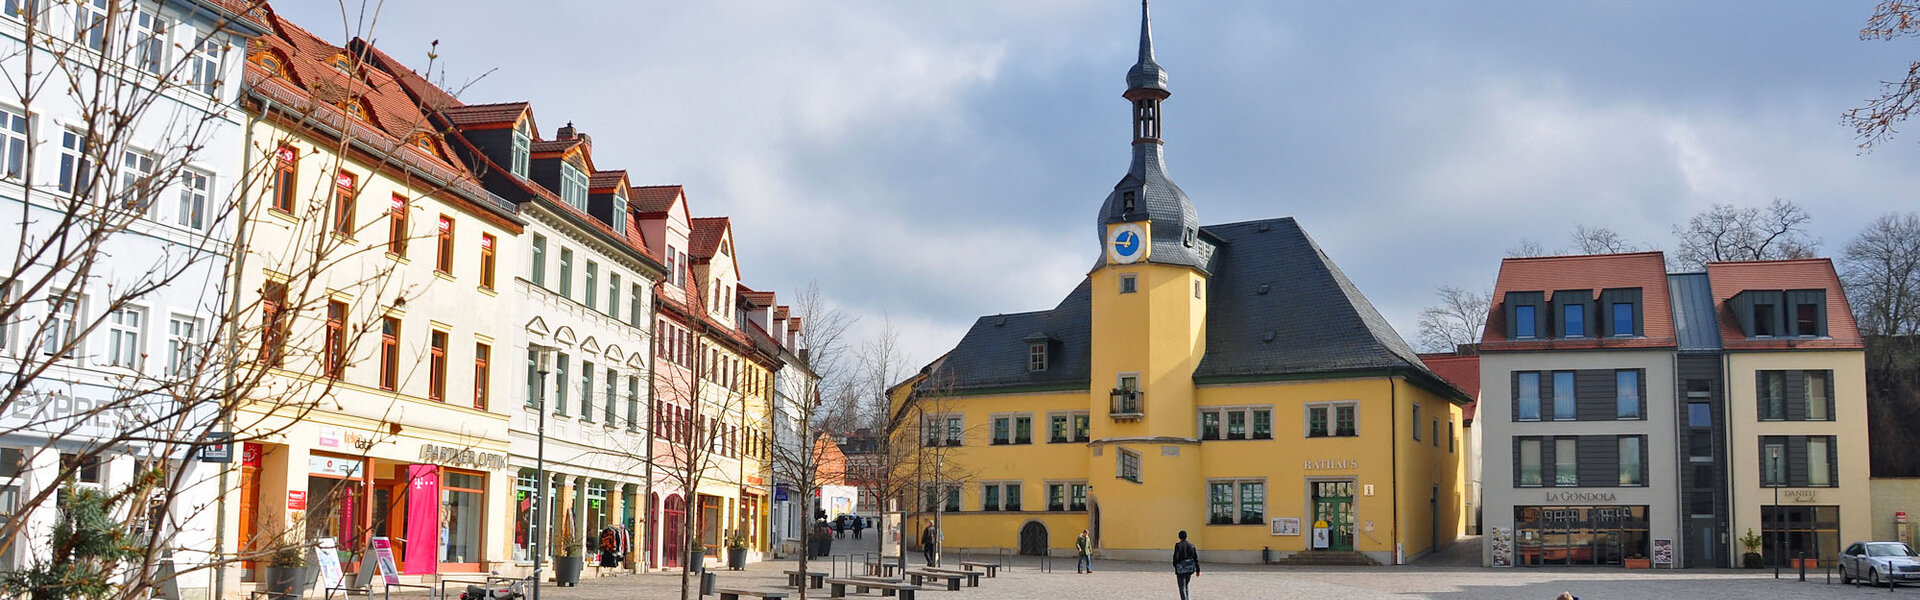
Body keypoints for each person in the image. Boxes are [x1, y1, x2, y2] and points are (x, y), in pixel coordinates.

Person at [1172, 530, 1199, 600]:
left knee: (1182, 587)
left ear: (1179, 537)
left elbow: (1175, 558)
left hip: (1180, 570)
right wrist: (1197, 570)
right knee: (1186, 586)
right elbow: (1195, 558)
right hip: (1189, 569)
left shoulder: (1178, 545)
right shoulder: (1191, 546)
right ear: (1186, 537)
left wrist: (1176, 566)